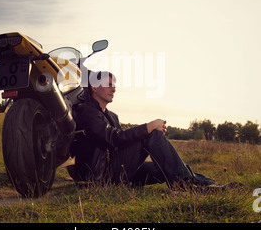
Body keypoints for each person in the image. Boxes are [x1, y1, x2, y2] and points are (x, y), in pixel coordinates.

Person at [70, 71, 236, 191]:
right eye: (108, 84)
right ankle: (186, 185)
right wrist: (148, 127)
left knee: (167, 166)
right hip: (101, 178)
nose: (113, 89)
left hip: (119, 170)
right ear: (94, 87)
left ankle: (209, 185)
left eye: (114, 85)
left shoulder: (112, 116)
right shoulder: (88, 112)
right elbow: (114, 139)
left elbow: (121, 143)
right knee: (150, 134)